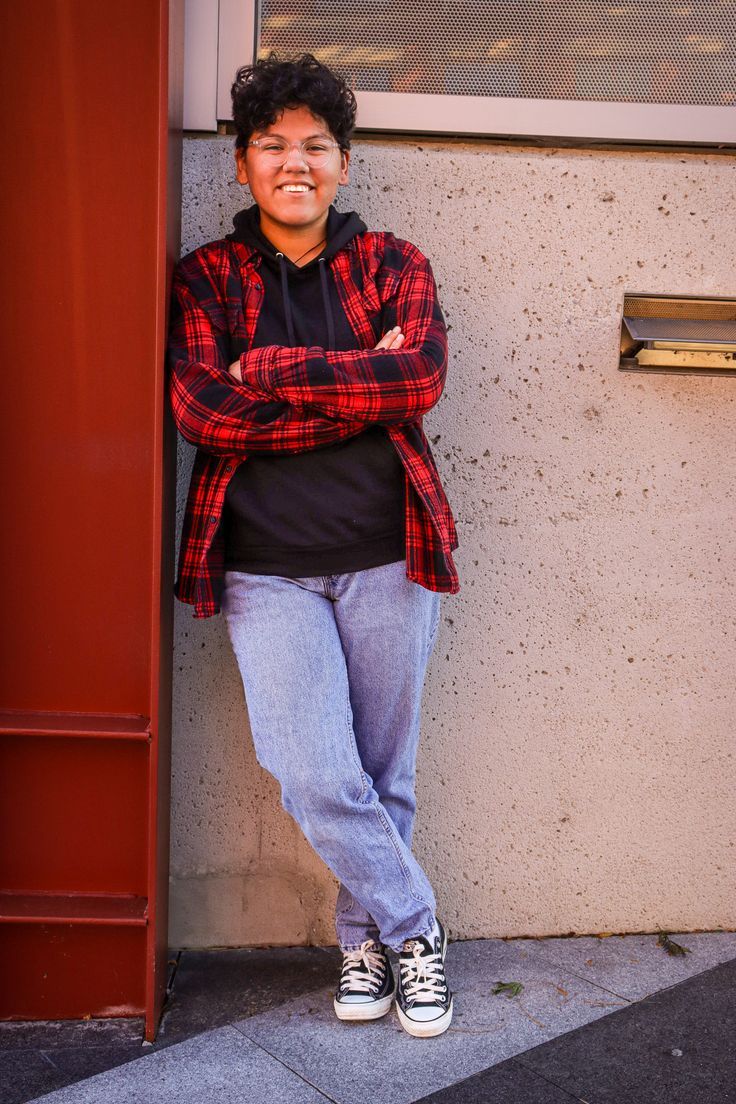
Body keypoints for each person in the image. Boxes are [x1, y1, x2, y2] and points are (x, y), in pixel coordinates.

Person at [167, 53, 460, 1038]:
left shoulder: (394, 266)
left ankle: (364, 945)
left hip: (387, 553)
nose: (296, 163)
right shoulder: (204, 277)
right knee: (310, 770)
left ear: (342, 162)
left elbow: (414, 381)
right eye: (273, 147)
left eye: (316, 147)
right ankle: (418, 926)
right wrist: (349, 388)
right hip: (264, 571)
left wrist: (279, 371)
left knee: (383, 774)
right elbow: (205, 411)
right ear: (244, 163)